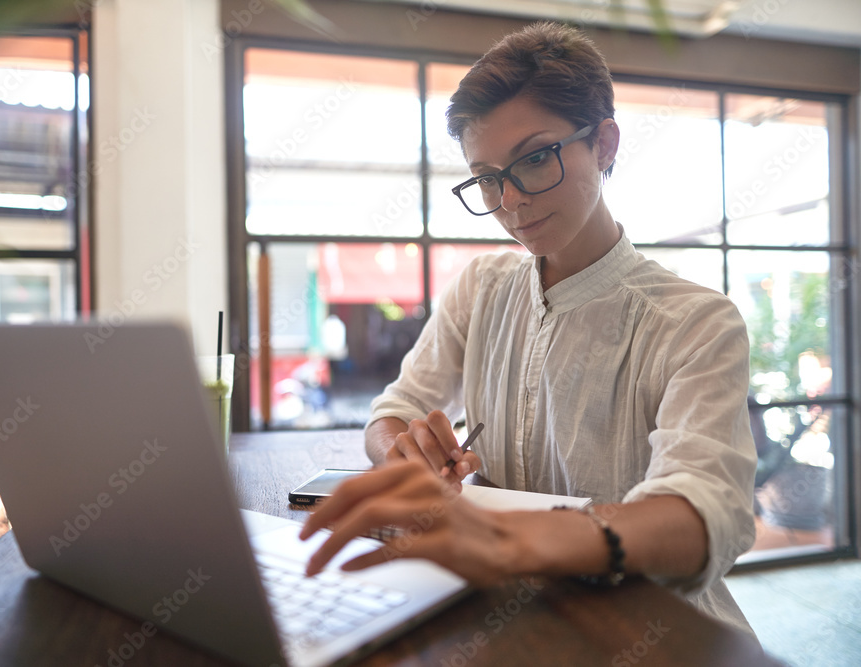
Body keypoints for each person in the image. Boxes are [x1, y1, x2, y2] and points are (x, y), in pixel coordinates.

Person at [299, 21, 758, 636]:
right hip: (508, 615)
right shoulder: (481, 288)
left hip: (654, 631)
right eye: (487, 177)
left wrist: (509, 539)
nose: (512, 201)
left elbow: (707, 514)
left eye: (535, 159)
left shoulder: (695, 323)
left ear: (604, 144)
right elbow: (396, 409)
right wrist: (404, 453)